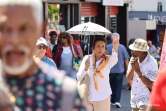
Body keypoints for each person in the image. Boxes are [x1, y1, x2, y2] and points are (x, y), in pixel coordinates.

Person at [0, 0, 87, 111]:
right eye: (4, 28)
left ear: (39, 30)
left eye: (24, 29)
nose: (15, 40)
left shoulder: (64, 93)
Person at [77, 37, 118, 111]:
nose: (100, 49)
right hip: (88, 96)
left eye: (103, 46)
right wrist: (86, 68)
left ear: (105, 49)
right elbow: (79, 77)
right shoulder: (87, 58)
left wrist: (115, 48)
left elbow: (115, 59)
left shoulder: (108, 60)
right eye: (98, 46)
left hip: (103, 96)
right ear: (93, 48)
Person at [126, 38, 158, 111]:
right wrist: (133, 68)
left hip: (146, 100)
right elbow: (128, 79)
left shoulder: (152, 63)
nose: (132, 52)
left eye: (134, 50)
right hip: (134, 99)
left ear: (142, 52)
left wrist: (138, 71)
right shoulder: (133, 58)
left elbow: (152, 85)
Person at [107, 33, 130, 108]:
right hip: (120, 70)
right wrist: (128, 70)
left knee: (109, 85)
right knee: (118, 86)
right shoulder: (122, 47)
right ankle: (117, 101)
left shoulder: (107, 47)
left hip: (109, 70)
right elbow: (126, 60)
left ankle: (111, 100)